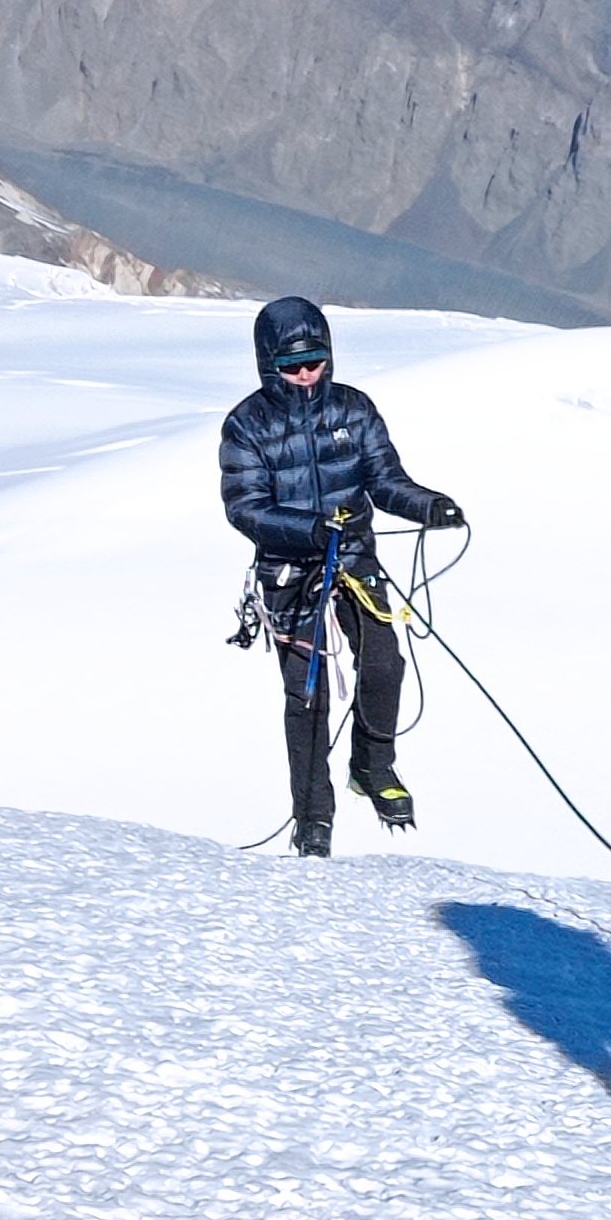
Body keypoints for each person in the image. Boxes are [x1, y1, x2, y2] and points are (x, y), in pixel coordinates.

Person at [219, 297, 462, 856]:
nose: (306, 373)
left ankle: (373, 768)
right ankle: (312, 817)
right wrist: (310, 528)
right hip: (290, 571)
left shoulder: (354, 410)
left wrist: (428, 506)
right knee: (308, 695)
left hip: (353, 559)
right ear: (267, 364)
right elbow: (244, 507)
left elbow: (384, 479)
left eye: (316, 360)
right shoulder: (247, 424)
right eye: (293, 363)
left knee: (385, 662)